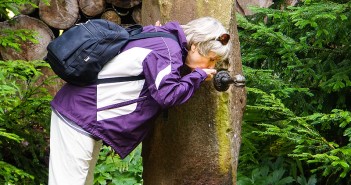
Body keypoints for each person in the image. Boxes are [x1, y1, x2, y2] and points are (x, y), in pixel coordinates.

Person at [48, 16, 231, 185]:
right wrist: (197, 76)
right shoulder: (167, 50)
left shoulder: (162, 39)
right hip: (78, 117)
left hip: (83, 117)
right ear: (195, 46)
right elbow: (167, 95)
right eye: (211, 59)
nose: (211, 67)